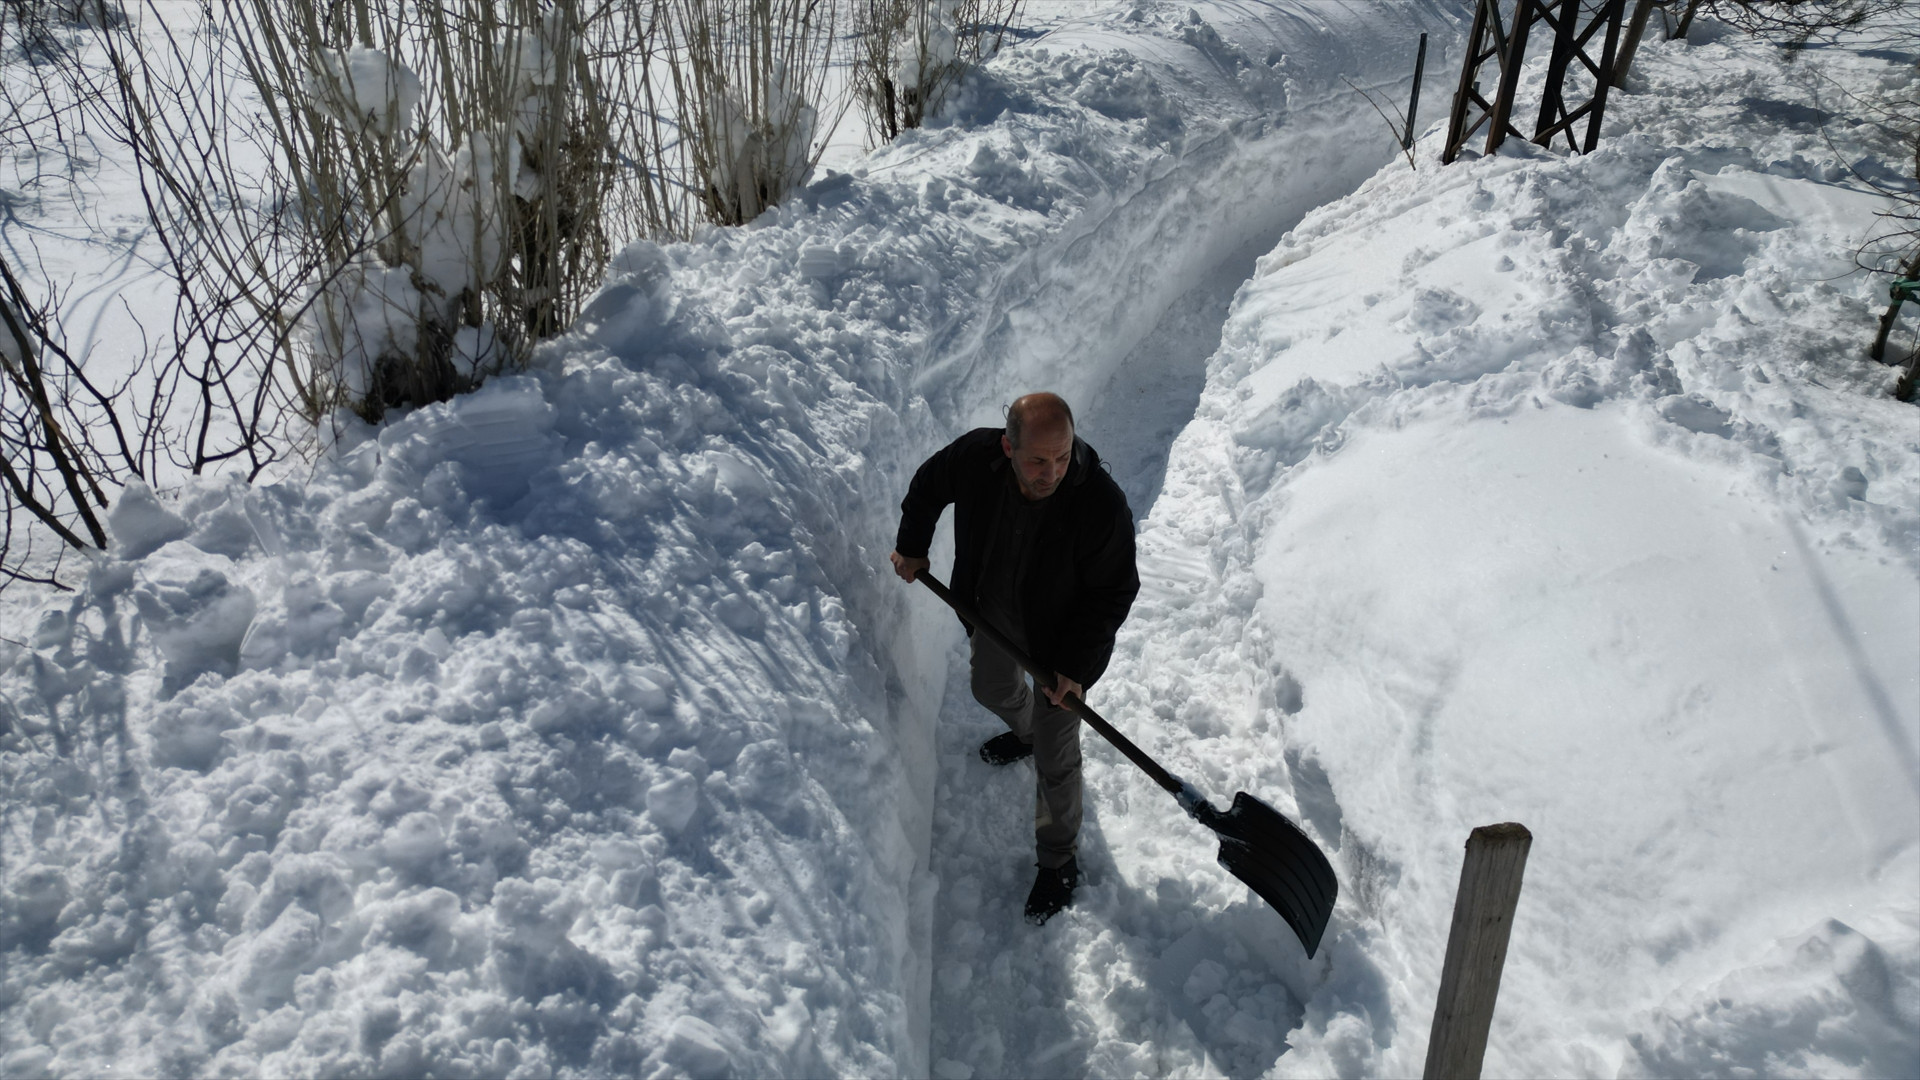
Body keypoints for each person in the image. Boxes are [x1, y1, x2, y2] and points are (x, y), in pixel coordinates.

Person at [890, 392, 1139, 924]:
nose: (1052, 471)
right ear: (1008, 447)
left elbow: (1113, 592)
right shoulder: (977, 460)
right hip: (991, 618)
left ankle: (1057, 859)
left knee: (1056, 756)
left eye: (1063, 456)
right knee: (991, 690)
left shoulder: (1098, 502)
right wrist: (913, 543)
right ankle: (1025, 730)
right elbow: (929, 486)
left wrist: (1075, 667)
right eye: (1037, 460)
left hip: (1059, 648)